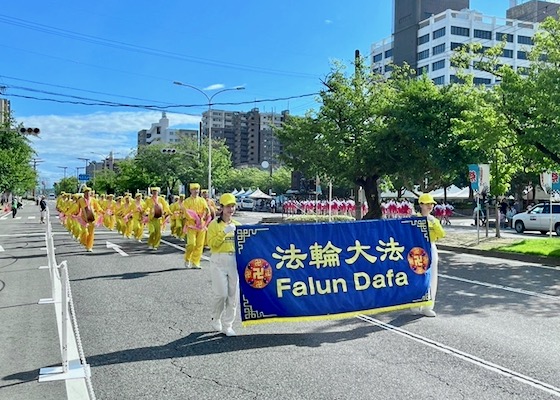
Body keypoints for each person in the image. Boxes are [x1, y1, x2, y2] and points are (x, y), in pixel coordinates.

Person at [206, 193, 241, 336]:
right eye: (228, 206)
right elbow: (212, 244)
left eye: (232, 206)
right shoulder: (214, 225)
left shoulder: (238, 225)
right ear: (221, 208)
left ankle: (228, 325)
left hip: (234, 261)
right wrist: (225, 232)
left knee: (233, 295)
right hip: (218, 260)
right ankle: (216, 317)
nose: (230, 209)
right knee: (221, 294)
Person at [415, 193, 445, 317]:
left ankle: (428, 306)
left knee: (432, 277)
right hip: (417, 249)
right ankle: (415, 304)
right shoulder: (414, 218)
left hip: (430, 247)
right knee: (417, 276)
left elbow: (441, 234)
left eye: (431, 204)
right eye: (427, 204)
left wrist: (433, 221)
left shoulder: (434, 220)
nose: (430, 206)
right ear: (421, 205)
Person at [183, 183, 211, 269]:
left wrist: (203, 216)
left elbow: (206, 209)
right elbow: (186, 212)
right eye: (194, 189)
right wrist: (194, 218)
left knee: (199, 245)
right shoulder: (187, 201)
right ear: (190, 190)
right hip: (191, 225)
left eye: (197, 189)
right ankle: (187, 259)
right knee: (191, 244)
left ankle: (196, 262)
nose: (196, 191)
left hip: (201, 225)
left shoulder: (202, 200)